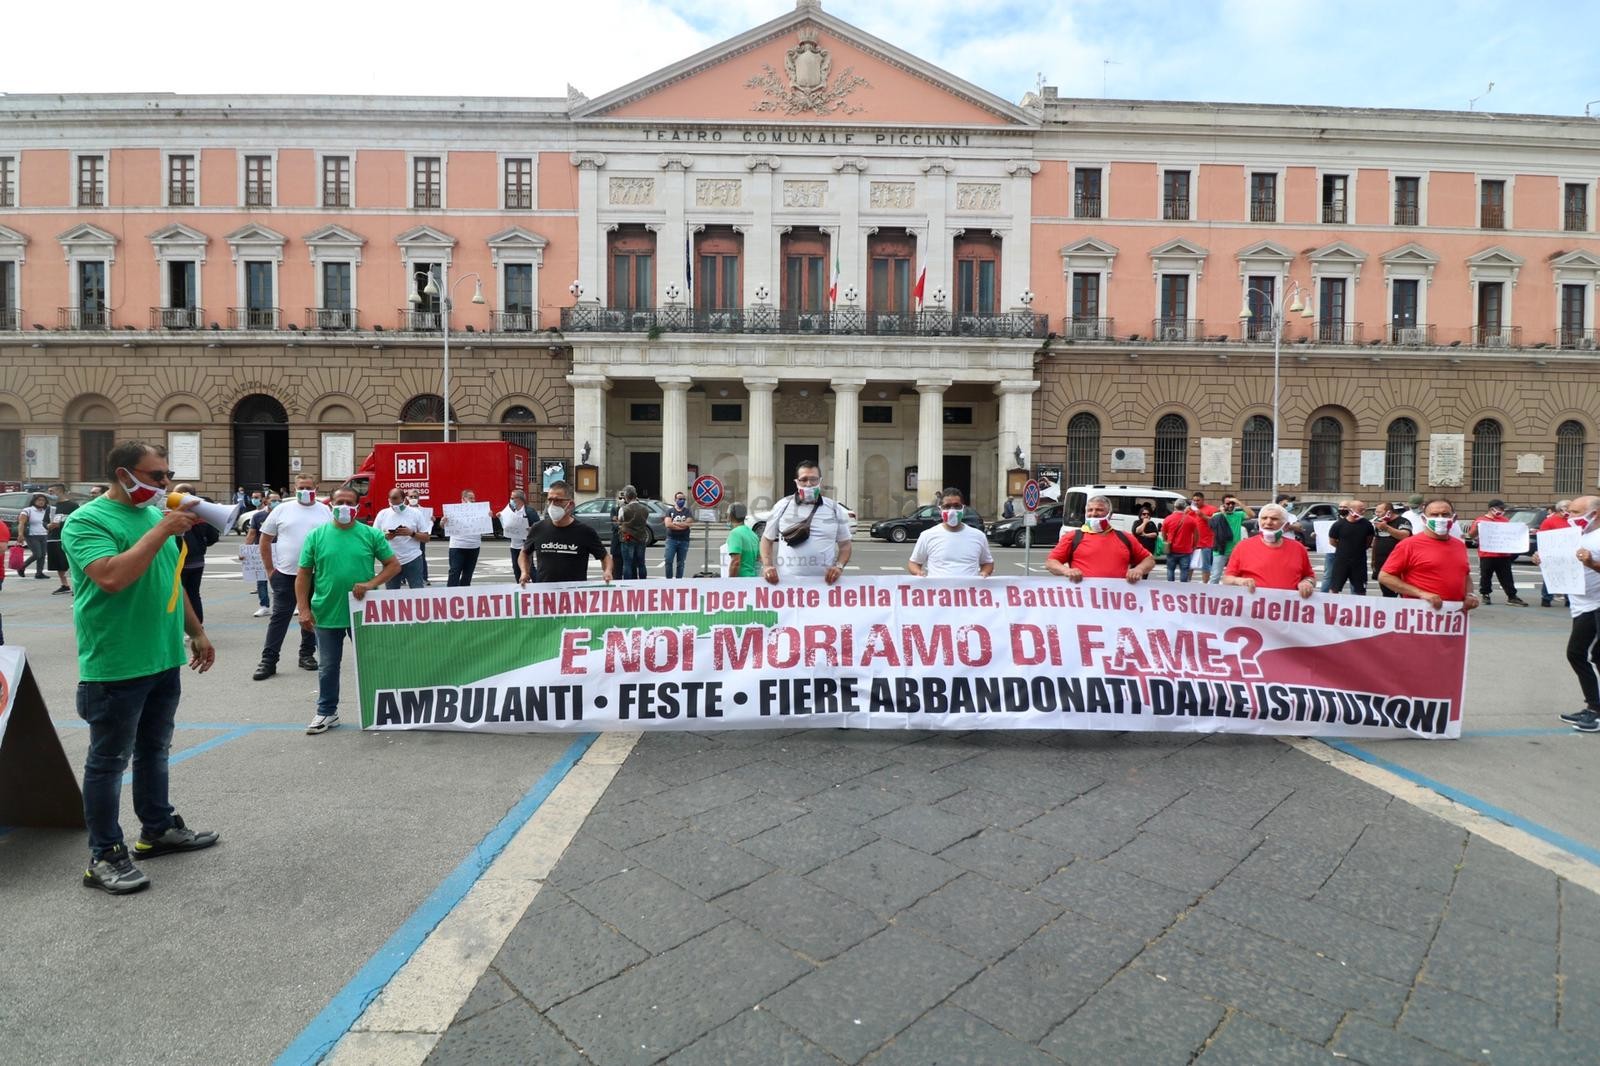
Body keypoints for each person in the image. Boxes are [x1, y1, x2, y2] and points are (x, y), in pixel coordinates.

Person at [63, 441, 219, 895]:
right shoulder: (87, 520)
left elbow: (169, 580)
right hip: (116, 663)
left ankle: (156, 829)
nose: (165, 485)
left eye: (167, 475)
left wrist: (196, 631)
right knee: (108, 762)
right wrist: (161, 530)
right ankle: (104, 855)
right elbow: (112, 577)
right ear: (123, 475)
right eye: (156, 476)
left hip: (162, 657)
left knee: (154, 750)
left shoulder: (154, 517)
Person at [296, 487, 399, 734]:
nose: (344, 506)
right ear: (330, 505)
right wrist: (303, 609)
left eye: (349, 502)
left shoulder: (370, 534)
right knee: (328, 666)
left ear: (357, 507)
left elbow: (393, 565)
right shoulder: (316, 536)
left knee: (373, 662)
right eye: (339, 501)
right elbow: (303, 574)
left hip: (363, 612)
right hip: (327, 611)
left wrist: (371, 584)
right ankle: (327, 712)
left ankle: (383, 710)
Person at [253, 474, 330, 680]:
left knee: (311, 615)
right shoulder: (282, 509)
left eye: (308, 487)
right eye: (300, 488)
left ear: (316, 487)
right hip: (286, 574)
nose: (304, 491)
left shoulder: (325, 511)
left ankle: (306, 654)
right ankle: (268, 660)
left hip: (317, 574)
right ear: (294, 488)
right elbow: (265, 540)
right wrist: (270, 570)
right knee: (280, 617)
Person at [760, 459, 853, 585]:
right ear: (796, 482)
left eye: (813, 479)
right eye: (803, 480)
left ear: (820, 481)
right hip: (787, 583)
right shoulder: (782, 506)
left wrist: (839, 566)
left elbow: (845, 545)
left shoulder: (834, 508)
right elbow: (766, 539)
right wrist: (767, 566)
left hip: (825, 584)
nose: (808, 484)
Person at [1379, 498, 1480, 611]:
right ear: (1424, 519)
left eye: (1445, 514)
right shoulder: (1409, 544)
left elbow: (1465, 575)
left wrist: (1470, 594)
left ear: (1454, 518)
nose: (1440, 519)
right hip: (1420, 616)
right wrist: (1422, 594)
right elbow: (1385, 577)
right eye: (1434, 515)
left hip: (1454, 618)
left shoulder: (1459, 545)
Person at [1553, 498, 1600, 731]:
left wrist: (1592, 563)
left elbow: (1591, 564)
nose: (1569, 516)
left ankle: (1596, 711)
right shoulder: (1576, 535)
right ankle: (1594, 707)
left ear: (1596, 513)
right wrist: (1544, 561)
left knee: (1596, 655)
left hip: (1598, 603)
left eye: (1575, 512)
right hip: (1582, 604)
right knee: (1576, 653)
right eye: (1568, 512)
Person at [517, 479, 611, 584]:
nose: (552, 504)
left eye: (558, 500)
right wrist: (524, 572)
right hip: (545, 594)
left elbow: (605, 557)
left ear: (570, 504)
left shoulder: (585, 532)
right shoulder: (538, 528)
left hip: (574, 595)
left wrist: (607, 571)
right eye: (550, 500)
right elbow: (524, 553)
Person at [1045, 493, 1154, 583]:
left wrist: (1139, 570)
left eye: (1099, 510)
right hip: (1083, 602)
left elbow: (1149, 560)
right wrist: (1066, 571)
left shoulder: (1125, 538)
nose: (1093, 513)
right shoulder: (1073, 537)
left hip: (1117, 601)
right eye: (1090, 510)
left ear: (1110, 514)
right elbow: (1051, 562)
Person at [1222, 503, 1316, 597]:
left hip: (1287, 608)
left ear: (1286, 526)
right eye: (1264, 518)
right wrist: (1239, 581)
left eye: (1274, 519)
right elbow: (1227, 579)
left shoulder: (1298, 548)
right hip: (1253, 607)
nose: (1268, 522)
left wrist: (1307, 583)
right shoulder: (1243, 546)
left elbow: (1310, 576)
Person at [908, 487, 995, 578]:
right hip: (938, 591)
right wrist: (918, 572)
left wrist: (985, 572)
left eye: (957, 506)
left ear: (963, 508)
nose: (952, 511)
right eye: (947, 506)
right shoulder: (927, 535)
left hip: (969, 590)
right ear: (940, 510)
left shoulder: (978, 536)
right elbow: (914, 563)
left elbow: (987, 563)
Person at [169, 483, 220, 623]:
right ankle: (198, 624)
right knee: (194, 594)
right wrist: (201, 545)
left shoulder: (175, 515)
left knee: (178, 595)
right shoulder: (202, 515)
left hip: (180, 563)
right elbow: (213, 537)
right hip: (198, 561)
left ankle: (182, 625)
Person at [1467, 499, 1529, 606]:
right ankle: (1485, 594)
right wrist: (1477, 527)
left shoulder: (1504, 520)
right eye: (1501, 508)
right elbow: (1471, 535)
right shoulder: (1480, 520)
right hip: (1487, 554)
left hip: (1503, 554)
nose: (1503, 510)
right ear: (1492, 509)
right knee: (1486, 575)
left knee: (1507, 576)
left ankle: (1512, 596)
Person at [375, 487, 430, 589]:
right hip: (390, 560)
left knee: (417, 592)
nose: (392, 501)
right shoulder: (382, 514)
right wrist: (385, 536)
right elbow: (374, 537)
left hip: (412, 559)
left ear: (403, 499)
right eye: (390, 498)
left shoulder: (415, 513)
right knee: (392, 594)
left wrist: (411, 533)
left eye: (395, 498)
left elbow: (426, 538)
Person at [1326, 499, 1375, 596]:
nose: (1363, 512)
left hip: (1359, 562)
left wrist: (1357, 549)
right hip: (1341, 561)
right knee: (1334, 588)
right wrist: (1344, 549)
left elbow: (1368, 542)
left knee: (1360, 590)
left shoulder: (1367, 525)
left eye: (1364, 509)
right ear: (1351, 510)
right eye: (1361, 510)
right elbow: (1332, 541)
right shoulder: (1338, 525)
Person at [242, 492, 279, 616]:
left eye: (278, 500)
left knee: (283, 580)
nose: (276, 503)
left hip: (280, 552)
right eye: (273, 500)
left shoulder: (283, 515)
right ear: (266, 501)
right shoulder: (258, 516)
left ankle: (286, 606)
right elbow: (252, 534)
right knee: (261, 580)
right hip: (261, 552)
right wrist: (245, 551)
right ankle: (264, 606)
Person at [443, 489, 484, 587]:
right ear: (463, 499)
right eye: (470, 498)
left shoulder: (479, 510)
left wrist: (488, 517)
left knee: (468, 574)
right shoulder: (453, 511)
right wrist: (442, 522)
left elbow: (485, 526)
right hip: (457, 546)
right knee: (454, 571)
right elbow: (443, 525)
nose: (473, 500)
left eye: (474, 498)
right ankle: (450, 594)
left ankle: (465, 594)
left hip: (474, 546)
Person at [1370, 501, 1411, 598]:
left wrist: (1387, 528)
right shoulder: (1379, 522)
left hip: (1399, 562)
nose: (1377, 514)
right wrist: (1373, 559)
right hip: (1382, 562)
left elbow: (1405, 536)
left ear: (1389, 512)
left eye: (1379, 512)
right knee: (1387, 594)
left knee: (1404, 593)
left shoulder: (1403, 521)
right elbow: (1376, 540)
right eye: (1376, 512)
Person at [1209, 495, 1252, 584]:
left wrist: (1239, 503)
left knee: (1236, 577)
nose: (1231, 505)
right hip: (1221, 550)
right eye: (1228, 503)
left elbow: (1252, 515)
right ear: (1223, 504)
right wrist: (1222, 512)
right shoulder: (1217, 515)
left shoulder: (1238, 514)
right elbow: (1213, 525)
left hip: (1235, 550)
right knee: (1215, 577)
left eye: (1233, 503)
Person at [46, 482, 77, 594]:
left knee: (70, 563)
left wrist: (61, 525)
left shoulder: (72, 506)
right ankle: (64, 585)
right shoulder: (51, 507)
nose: (50, 494)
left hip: (67, 538)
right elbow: (44, 521)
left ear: (60, 491)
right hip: (53, 538)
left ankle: (76, 585)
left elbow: (76, 521)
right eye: (49, 492)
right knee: (58, 564)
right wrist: (47, 526)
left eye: (52, 492)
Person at [615, 485, 651, 580]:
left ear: (626, 496)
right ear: (636, 495)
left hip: (628, 538)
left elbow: (620, 520)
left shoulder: (623, 509)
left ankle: (628, 585)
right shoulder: (645, 509)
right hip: (641, 538)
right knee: (641, 563)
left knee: (627, 564)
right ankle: (643, 583)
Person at [1540, 501, 1572, 607]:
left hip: (1569, 553)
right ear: (1561, 509)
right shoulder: (1549, 521)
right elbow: (1543, 537)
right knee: (1551, 575)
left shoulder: (1572, 520)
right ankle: (1546, 598)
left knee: (1569, 576)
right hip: (1553, 553)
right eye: (1568, 508)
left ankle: (1569, 599)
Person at [1161, 499, 1200, 582]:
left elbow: (1163, 532)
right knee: (1184, 570)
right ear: (1185, 507)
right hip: (1186, 549)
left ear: (1175, 507)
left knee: (1170, 569)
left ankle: (1171, 586)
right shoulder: (1191, 520)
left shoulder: (1168, 519)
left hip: (1171, 548)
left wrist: (1166, 541)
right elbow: (1196, 535)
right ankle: (1183, 588)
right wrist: (1194, 545)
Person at [498, 490, 531, 577]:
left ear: (519, 499)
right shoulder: (511, 511)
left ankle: (536, 586)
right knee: (516, 569)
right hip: (514, 546)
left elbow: (537, 526)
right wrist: (500, 518)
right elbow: (506, 526)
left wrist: (531, 529)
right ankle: (519, 587)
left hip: (525, 546)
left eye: (512, 498)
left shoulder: (529, 511)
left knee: (529, 569)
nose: (510, 500)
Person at [18, 492, 50, 579]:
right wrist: (20, 534)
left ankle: (39, 573)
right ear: (34, 501)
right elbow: (21, 523)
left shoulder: (45, 511)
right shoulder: (27, 510)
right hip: (32, 535)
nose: (41, 502)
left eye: (43, 500)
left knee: (42, 555)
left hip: (44, 535)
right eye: (39, 500)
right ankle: (21, 567)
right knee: (37, 554)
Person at [663, 491, 694, 579]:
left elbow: (689, 523)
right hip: (671, 540)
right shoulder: (670, 511)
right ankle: (669, 580)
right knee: (668, 561)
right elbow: (668, 524)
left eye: (684, 499)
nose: (682, 501)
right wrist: (682, 526)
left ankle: (679, 581)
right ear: (675, 499)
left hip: (684, 540)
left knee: (681, 563)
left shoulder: (687, 511)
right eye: (680, 499)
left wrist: (675, 523)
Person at [724, 503, 761, 577]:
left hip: (741, 580)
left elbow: (736, 561)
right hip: (753, 578)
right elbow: (758, 559)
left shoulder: (735, 533)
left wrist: (730, 582)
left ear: (731, 516)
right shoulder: (753, 534)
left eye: (727, 514)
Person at [1190, 491, 1218, 580]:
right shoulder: (1190, 510)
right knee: (1189, 565)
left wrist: (1203, 516)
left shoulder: (1211, 509)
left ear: (1203, 500)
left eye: (1198, 500)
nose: (1196, 502)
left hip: (1206, 542)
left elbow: (1215, 522)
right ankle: (1186, 583)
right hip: (1192, 543)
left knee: (1206, 566)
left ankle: (1205, 585)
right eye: (1194, 500)